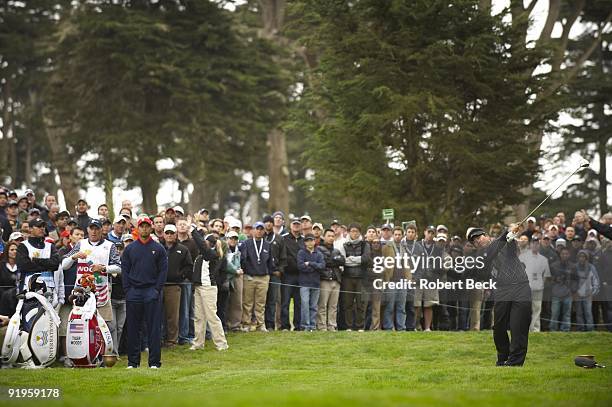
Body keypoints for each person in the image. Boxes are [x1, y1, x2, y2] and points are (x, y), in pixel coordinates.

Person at [468, 224, 531, 367]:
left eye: (479, 237)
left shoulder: (505, 242)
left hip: (521, 286)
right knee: (499, 326)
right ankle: (503, 357)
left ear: (486, 235)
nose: (478, 241)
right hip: (502, 290)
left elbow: (510, 246)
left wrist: (511, 233)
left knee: (518, 326)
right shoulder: (482, 254)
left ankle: (515, 362)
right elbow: (493, 251)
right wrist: (506, 233)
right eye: (475, 241)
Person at [121, 217, 168, 369]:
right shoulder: (130, 249)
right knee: (133, 329)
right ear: (138, 228)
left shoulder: (158, 248)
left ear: (151, 228)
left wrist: (156, 290)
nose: (145, 229)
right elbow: (125, 271)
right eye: (142, 226)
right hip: (134, 292)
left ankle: (154, 362)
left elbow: (163, 271)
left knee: (154, 328)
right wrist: (128, 290)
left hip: (151, 292)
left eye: (147, 226)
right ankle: (133, 362)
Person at [61, 219, 121, 329]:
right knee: (81, 325)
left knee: (103, 327)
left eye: (96, 229)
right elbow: (64, 265)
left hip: (102, 291)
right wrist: (74, 257)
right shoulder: (80, 244)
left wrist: (103, 268)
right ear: (88, 229)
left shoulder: (109, 246)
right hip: (81, 290)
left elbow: (119, 268)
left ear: (101, 230)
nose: (94, 232)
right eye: (91, 229)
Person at [189, 228, 228, 351]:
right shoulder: (202, 255)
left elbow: (200, 243)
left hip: (208, 288)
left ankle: (221, 343)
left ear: (209, 244)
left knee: (211, 316)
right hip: (199, 287)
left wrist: (193, 230)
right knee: (199, 317)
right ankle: (198, 343)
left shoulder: (211, 254)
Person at [15, 218, 61, 306]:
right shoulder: (23, 246)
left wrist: (36, 260)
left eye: (43, 226)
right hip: (29, 288)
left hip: (49, 288)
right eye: (39, 226)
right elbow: (24, 266)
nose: (42, 228)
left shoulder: (50, 246)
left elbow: (55, 265)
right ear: (31, 229)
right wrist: (47, 265)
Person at [162, 224, 193, 347]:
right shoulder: (158, 248)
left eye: (172, 233)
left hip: (174, 285)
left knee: (172, 316)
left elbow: (189, 266)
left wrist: (180, 275)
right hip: (159, 285)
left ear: (176, 235)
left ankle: (172, 340)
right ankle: (160, 339)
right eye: (167, 233)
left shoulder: (183, 249)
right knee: (158, 314)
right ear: (164, 235)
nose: (169, 235)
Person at [240, 221, 274, 332]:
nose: (259, 231)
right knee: (247, 302)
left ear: (264, 231)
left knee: (261, 303)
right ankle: (246, 324)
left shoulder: (267, 244)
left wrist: (268, 274)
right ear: (253, 230)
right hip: (249, 277)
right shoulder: (246, 243)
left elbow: (270, 262)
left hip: (263, 277)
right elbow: (243, 260)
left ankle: (260, 325)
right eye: (257, 229)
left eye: (261, 229)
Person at [342, 223, 371, 331]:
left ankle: (360, 326)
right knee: (348, 303)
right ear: (349, 232)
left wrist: (351, 260)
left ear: (360, 232)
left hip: (361, 278)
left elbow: (366, 259)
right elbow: (343, 260)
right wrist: (357, 260)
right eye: (352, 231)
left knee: (361, 304)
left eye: (357, 231)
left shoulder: (365, 245)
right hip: (347, 277)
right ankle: (349, 326)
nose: (354, 233)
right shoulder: (344, 245)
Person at [518, 237, 550, 332]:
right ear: (530, 245)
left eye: (537, 243)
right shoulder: (523, 257)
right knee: (524, 309)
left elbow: (546, 275)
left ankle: (535, 329)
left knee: (537, 309)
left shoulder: (544, 259)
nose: (535, 245)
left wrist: (541, 284)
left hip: (538, 288)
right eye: (533, 243)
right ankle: (523, 328)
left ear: (539, 245)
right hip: (525, 288)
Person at [382, 226, 410, 331]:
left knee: (401, 307)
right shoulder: (386, 247)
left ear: (402, 236)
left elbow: (407, 265)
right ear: (393, 235)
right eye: (396, 234)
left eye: (399, 234)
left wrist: (408, 279)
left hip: (402, 280)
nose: (397, 236)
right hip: (391, 280)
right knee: (389, 306)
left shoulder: (404, 247)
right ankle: (389, 327)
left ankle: (401, 327)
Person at [317, 229, 345, 331]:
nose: (331, 238)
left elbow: (342, 261)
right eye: (329, 236)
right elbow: (324, 262)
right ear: (324, 237)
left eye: (333, 236)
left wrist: (333, 260)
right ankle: (322, 326)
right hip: (324, 280)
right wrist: (334, 260)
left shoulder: (336, 250)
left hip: (336, 280)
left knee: (333, 306)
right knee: (322, 305)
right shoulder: (319, 249)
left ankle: (331, 325)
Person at [297, 233, 325, 331]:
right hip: (304, 283)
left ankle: (312, 325)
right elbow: (300, 267)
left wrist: (310, 263)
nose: (310, 242)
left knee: (313, 306)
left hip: (315, 283)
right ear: (305, 242)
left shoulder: (319, 253)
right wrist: (314, 267)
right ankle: (305, 325)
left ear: (314, 241)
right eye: (307, 240)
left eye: (311, 240)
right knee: (305, 304)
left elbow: (322, 266)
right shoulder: (301, 252)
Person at [262, 215, 286, 330]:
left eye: (270, 222)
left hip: (274, 274)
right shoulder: (259, 237)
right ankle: (260, 323)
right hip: (261, 273)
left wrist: (280, 270)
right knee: (261, 300)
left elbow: (283, 257)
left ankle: (270, 324)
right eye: (266, 222)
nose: (268, 224)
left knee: (272, 300)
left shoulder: (279, 238)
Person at [281, 218, 303, 330]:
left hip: (300, 275)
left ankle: (298, 326)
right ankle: (285, 325)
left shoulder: (303, 240)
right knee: (285, 302)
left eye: (298, 224)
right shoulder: (284, 238)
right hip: (287, 275)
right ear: (290, 225)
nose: (296, 226)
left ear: (301, 226)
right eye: (294, 224)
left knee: (298, 303)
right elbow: (283, 256)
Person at [549, 247, 575, 332]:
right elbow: (549, 279)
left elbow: (576, 280)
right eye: (563, 254)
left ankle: (565, 329)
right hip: (556, 293)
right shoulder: (553, 265)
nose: (565, 255)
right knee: (555, 313)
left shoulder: (573, 266)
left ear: (569, 255)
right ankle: (553, 329)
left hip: (568, 294)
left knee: (566, 314)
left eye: (566, 254)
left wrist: (572, 289)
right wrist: (555, 280)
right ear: (560, 255)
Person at [574, 250, 600, 332]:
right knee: (579, 313)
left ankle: (590, 329)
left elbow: (596, 281)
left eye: (583, 256)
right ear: (578, 258)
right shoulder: (574, 267)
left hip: (588, 295)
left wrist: (593, 292)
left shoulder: (591, 267)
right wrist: (574, 292)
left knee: (588, 313)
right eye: (580, 257)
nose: (582, 258)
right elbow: (571, 281)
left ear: (586, 258)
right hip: (577, 294)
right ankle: (580, 329)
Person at [225, 230, 243, 332]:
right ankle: (226, 324)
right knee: (225, 301)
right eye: (231, 238)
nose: (233, 240)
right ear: (227, 239)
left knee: (237, 302)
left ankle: (235, 325)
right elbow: (226, 263)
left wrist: (238, 270)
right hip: (226, 277)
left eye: (235, 238)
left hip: (237, 277)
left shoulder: (238, 250)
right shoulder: (224, 248)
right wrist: (235, 270)